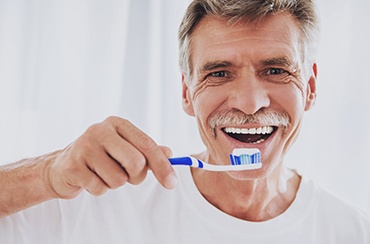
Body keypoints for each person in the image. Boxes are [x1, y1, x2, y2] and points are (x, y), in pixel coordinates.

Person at [1, 0, 369, 243]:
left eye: (275, 70)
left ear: (311, 87)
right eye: (220, 73)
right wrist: (47, 174)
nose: (249, 102)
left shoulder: (351, 231)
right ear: (186, 92)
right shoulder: (99, 201)